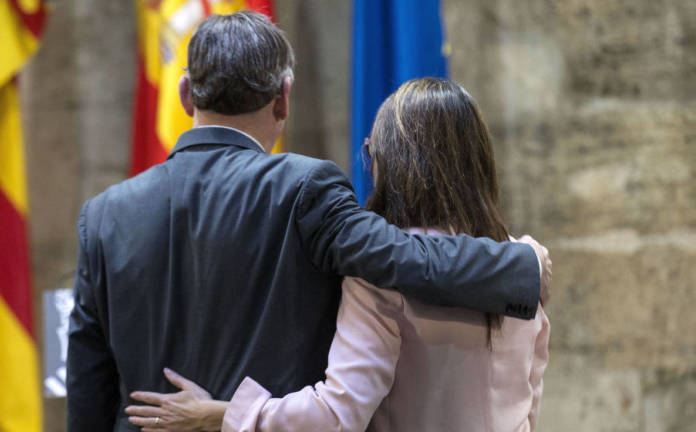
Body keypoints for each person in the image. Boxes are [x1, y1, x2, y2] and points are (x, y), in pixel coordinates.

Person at [67, 11, 551, 432]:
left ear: (185, 94)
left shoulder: (104, 214)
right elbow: (405, 256)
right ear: (283, 97)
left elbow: (88, 381)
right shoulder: (306, 188)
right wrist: (523, 263)